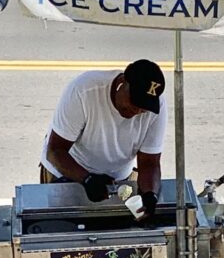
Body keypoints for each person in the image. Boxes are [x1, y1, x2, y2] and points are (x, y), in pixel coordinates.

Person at [39, 59, 167, 219]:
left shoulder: (157, 108)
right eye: (135, 101)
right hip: (67, 172)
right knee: (65, 233)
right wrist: (87, 180)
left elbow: (149, 162)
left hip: (117, 181)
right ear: (122, 83)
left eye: (145, 106)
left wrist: (150, 195)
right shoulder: (84, 90)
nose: (138, 110)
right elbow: (55, 150)